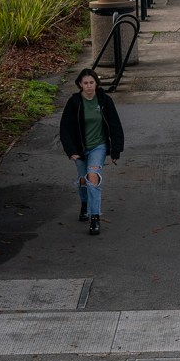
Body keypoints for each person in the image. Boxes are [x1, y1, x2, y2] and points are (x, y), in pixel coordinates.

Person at [59, 68, 125, 236]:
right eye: (85, 83)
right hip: (80, 149)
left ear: (96, 83)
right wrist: (70, 150)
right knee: (83, 180)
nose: (88, 86)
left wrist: (116, 151)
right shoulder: (74, 102)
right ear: (80, 85)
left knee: (92, 178)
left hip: (99, 146)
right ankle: (84, 203)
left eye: (91, 82)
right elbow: (65, 128)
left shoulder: (104, 101)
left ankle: (94, 217)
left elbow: (115, 125)